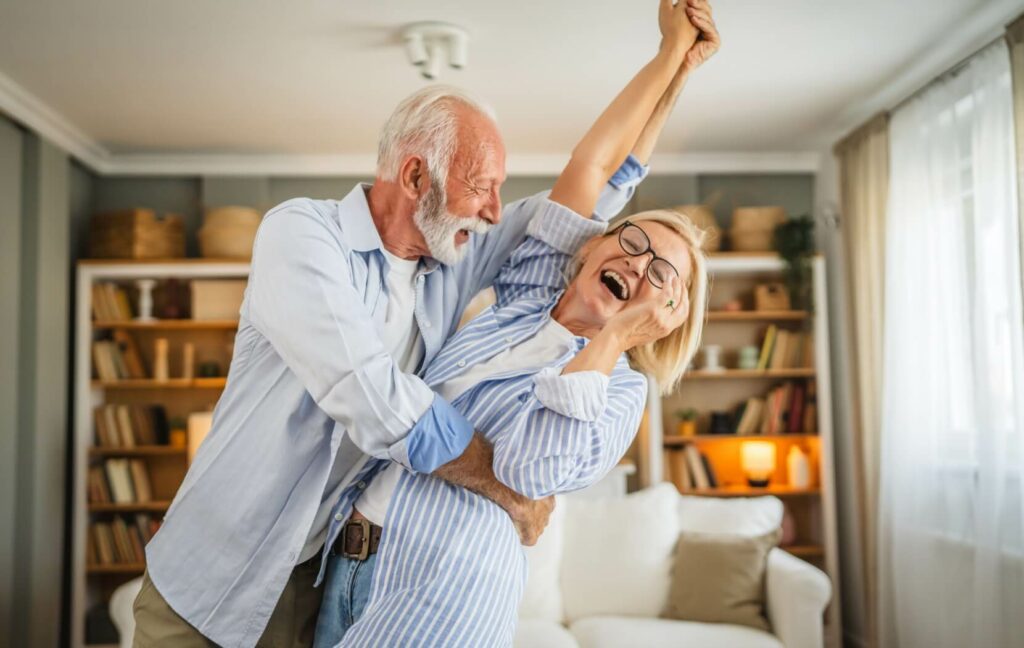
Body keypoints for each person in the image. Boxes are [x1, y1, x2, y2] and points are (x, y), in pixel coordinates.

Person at [132, 38, 653, 648]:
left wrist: (674, 64)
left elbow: (583, 203)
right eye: (483, 187)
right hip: (211, 578)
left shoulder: (451, 253)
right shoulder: (302, 234)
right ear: (415, 176)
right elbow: (371, 396)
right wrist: (507, 487)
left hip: (309, 579)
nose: (494, 211)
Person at [314, 1, 720, 645]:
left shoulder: (618, 392)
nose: (639, 266)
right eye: (633, 241)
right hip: (352, 560)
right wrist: (671, 60)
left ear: (669, 317)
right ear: (589, 248)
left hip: (445, 594)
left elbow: (530, 470)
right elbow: (593, 167)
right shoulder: (530, 297)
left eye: (663, 276)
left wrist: (613, 337)